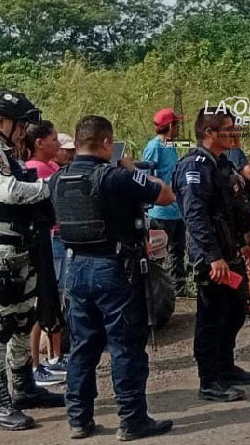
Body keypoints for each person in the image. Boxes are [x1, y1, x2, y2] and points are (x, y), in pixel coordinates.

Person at [51, 115, 175, 440]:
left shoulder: (59, 178)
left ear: (77, 143)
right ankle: (132, 420)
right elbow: (165, 195)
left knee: (83, 346)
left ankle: (79, 419)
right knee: (125, 345)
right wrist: (130, 169)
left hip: (75, 269)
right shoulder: (115, 177)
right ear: (107, 143)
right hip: (113, 268)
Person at [0, 90, 64, 431]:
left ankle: (24, 387)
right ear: (0, 121)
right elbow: (8, 191)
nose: (22, 132)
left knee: (21, 320)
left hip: (20, 249)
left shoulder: (6, 153)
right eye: (18, 124)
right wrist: (50, 186)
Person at [173, 108, 250, 402]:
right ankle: (209, 380)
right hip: (211, 257)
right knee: (212, 317)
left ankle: (225, 365)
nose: (235, 134)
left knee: (235, 310)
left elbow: (230, 209)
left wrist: (240, 243)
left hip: (229, 250)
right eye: (228, 129)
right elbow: (196, 216)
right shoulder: (195, 166)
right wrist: (212, 257)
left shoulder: (221, 164)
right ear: (209, 133)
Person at [21, 120, 67, 388]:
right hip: (49, 240)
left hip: (56, 238)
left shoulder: (50, 167)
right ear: (39, 143)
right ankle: (36, 364)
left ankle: (54, 357)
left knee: (54, 300)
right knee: (42, 303)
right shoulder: (35, 170)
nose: (58, 145)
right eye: (53, 140)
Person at [143, 108, 189, 297]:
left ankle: (179, 288)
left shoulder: (170, 146)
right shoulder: (154, 147)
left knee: (178, 250)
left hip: (175, 209)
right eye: (176, 124)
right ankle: (158, 291)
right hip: (160, 211)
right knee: (158, 253)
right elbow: (148, 176)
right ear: (170, 126)